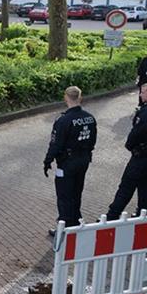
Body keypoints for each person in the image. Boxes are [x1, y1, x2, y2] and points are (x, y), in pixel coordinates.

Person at [106, 83, 147, 220]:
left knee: (126, 186)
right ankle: (143, 214)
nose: (141, 95)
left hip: (142, 154)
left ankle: (112, 215)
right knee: (146, 186)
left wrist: (130, 146)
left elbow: (137, 132)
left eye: (143, 92)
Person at [42, 86, 97, 231]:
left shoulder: (63, 120)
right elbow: (93, 141)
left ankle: (65, 227)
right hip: (84, 160)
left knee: (64, 195)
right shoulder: (90, 118)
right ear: (80, 98)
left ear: (65, 98)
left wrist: (47, 161)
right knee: (77, 192)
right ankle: (76, 221)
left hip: (67, 163)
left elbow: (56, 144)